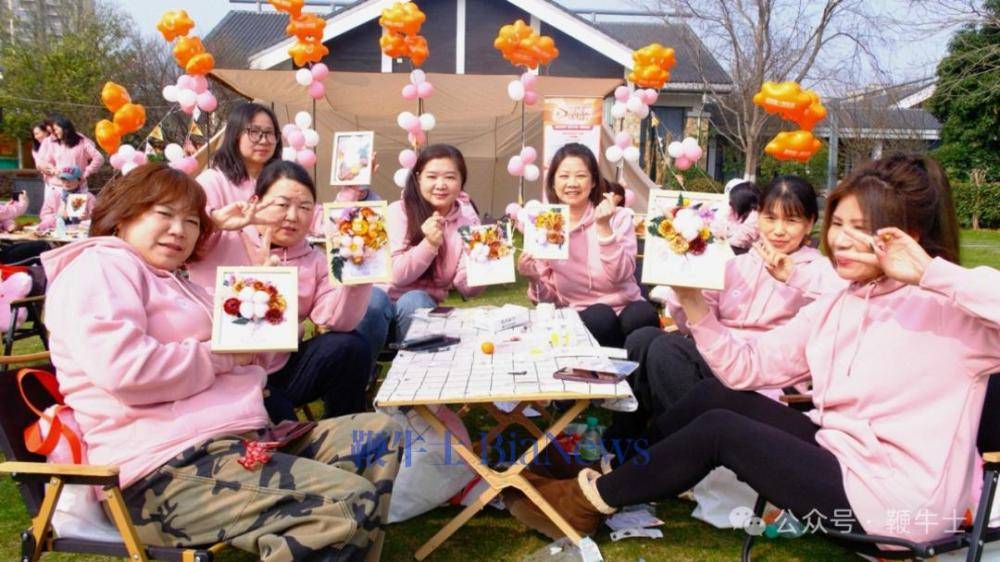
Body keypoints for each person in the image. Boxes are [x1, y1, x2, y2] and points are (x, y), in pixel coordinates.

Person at [505, 154, 1000, 546]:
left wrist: (932, 273)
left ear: (909, 237)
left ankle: (584, 504)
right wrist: (694, 303)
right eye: (839, 224)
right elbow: (746, 369)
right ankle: (615, 474)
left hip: (900, 505)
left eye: (863, 228)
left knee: (721, 430)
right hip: (840, 457)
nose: (843, 240)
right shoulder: (839, 302)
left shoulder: (954, 313)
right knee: (716, 399)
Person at [42, 163, 401, 561]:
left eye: (191, 221)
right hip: (164, 470)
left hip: (239, 444)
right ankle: (325, 523)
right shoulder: (98, 267)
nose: (179, 230)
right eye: (164, 214)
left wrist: (284, 293)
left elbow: (261, 350)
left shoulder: (176, 281)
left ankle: (320, 536)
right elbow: (127, 370)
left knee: (377, 434)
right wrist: (224, 354)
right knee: (348, 499)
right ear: (122, 215)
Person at [611, 175, 843, 443]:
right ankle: (625, 440)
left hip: (767, 378)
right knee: (642, 339)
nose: (778, 230)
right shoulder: (735, 264)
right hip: (718, 355)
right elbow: (692, 326)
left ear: (810, 223)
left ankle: (682, 443)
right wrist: (683, 286)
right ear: (758, 217)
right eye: (770, 218)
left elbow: (840, 301)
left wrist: (794, 276)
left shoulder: (821, 272)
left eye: (791, 221)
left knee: (666, 349)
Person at [188, 160, 374, 422]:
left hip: (278, 371)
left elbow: (335, 320)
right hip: (222, 373)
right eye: (282, 205)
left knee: (350, 346)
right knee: (277, 414)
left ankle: (344, 427)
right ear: (256, 201)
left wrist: (356, 280)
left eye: (305, 207)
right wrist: (214, 223)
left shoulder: (315, 260)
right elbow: (182, 241)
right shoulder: (221, 239)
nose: (293, 216)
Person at [517, 143, 659, 348]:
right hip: (583, 314)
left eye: (581, 176)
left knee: (642, 315)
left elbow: (621, 275)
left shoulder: (617, 217)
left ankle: (639, 365)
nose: (572, 183)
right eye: (564, 176)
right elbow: (548, 301)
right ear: (553, 182)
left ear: (593, 181)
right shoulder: (546, 225)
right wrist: (533, 278)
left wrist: (603, 228)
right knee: (600, 317)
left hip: (627, 306)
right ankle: (614, 365)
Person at [354, 144, 482, 361]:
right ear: (418, 178)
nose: (440, 185)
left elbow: (466, 287)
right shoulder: (397, 211)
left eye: (450, 177)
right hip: (376, 311)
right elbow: (397, 275)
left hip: (420, 312)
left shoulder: (467, 222)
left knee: (415, 300)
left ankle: (416, 374)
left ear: (461, 182)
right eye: (432, 176)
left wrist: (485, 267)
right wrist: (429, 244)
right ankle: (361, 374)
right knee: (373, 298)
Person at [197, 102, 282, 210]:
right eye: (254, 132)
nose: (264, 140)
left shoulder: (285, 180)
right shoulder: (212, 181)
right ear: (235, 135)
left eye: (269, 133)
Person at [38, 117, 103, 192]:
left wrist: (86, 173)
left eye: (55, 129)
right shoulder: (53, 143)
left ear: (64, 127)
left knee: (79, 200)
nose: (54, 132)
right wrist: (52, 169)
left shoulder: (82, 141)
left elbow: (98, 158)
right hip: (57, 188)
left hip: (78, 189)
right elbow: (45, 162)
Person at [36, 166, 95, 233]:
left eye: (70, 179)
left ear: (79, 180)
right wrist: (58, 217)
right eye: (63, 179)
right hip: (56, 230)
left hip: (80, 231)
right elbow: (44, 215)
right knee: (47, 222)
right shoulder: (54, 194)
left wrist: (88, 217)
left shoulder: (88, 197)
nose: (66, 182)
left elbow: (96, 216)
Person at [714, 180, 760, 254]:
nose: (730, 203)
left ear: (741, 201)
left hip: (750, 255)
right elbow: (727, 226)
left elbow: (739, 241)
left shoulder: (755, 217)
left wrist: (724, 239)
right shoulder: (741, 213)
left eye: (732, 200)